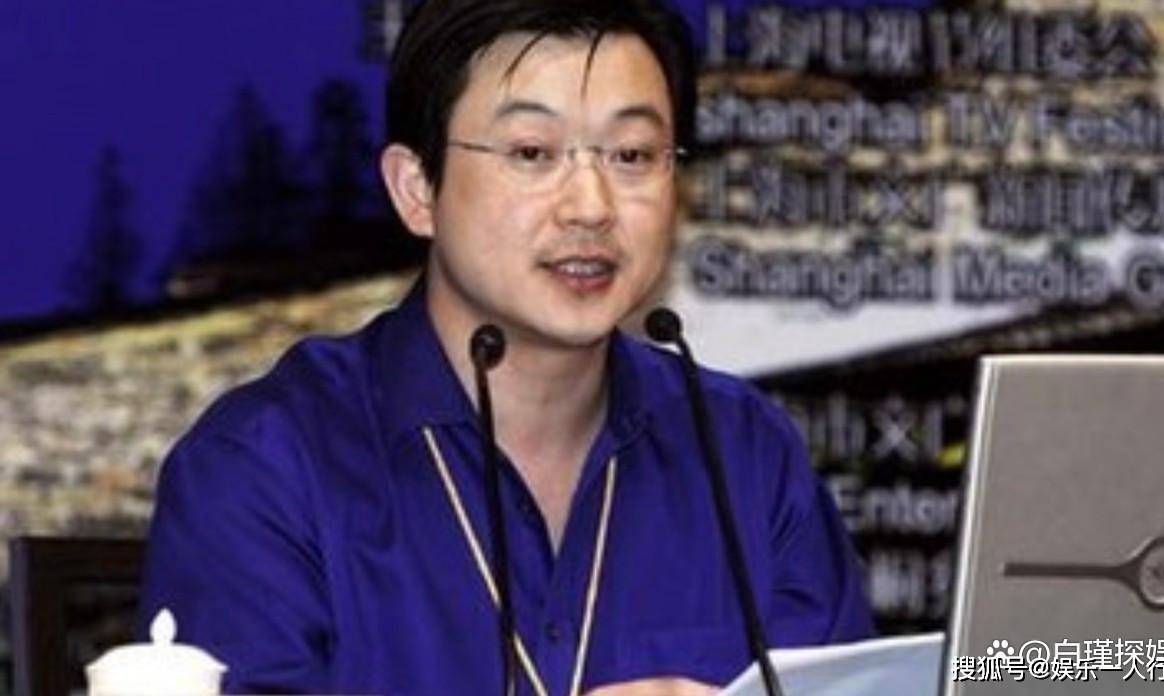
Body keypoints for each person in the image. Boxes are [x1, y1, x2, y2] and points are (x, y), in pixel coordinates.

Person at [138, 0, 874, 694]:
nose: (591, 207)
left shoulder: (743, 455)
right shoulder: (266, 467)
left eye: (632, 154)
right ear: (416, 189)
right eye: (531, 152)